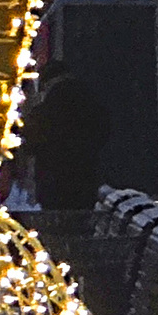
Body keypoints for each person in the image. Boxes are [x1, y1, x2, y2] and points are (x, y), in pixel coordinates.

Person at [18, 69, 111, 251]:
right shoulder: (89, 102)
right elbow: (103, 131)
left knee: (58, 229)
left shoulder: (47, 108)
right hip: (85, 175)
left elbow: (31, 142)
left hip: (53, 179)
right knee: (80, 227)